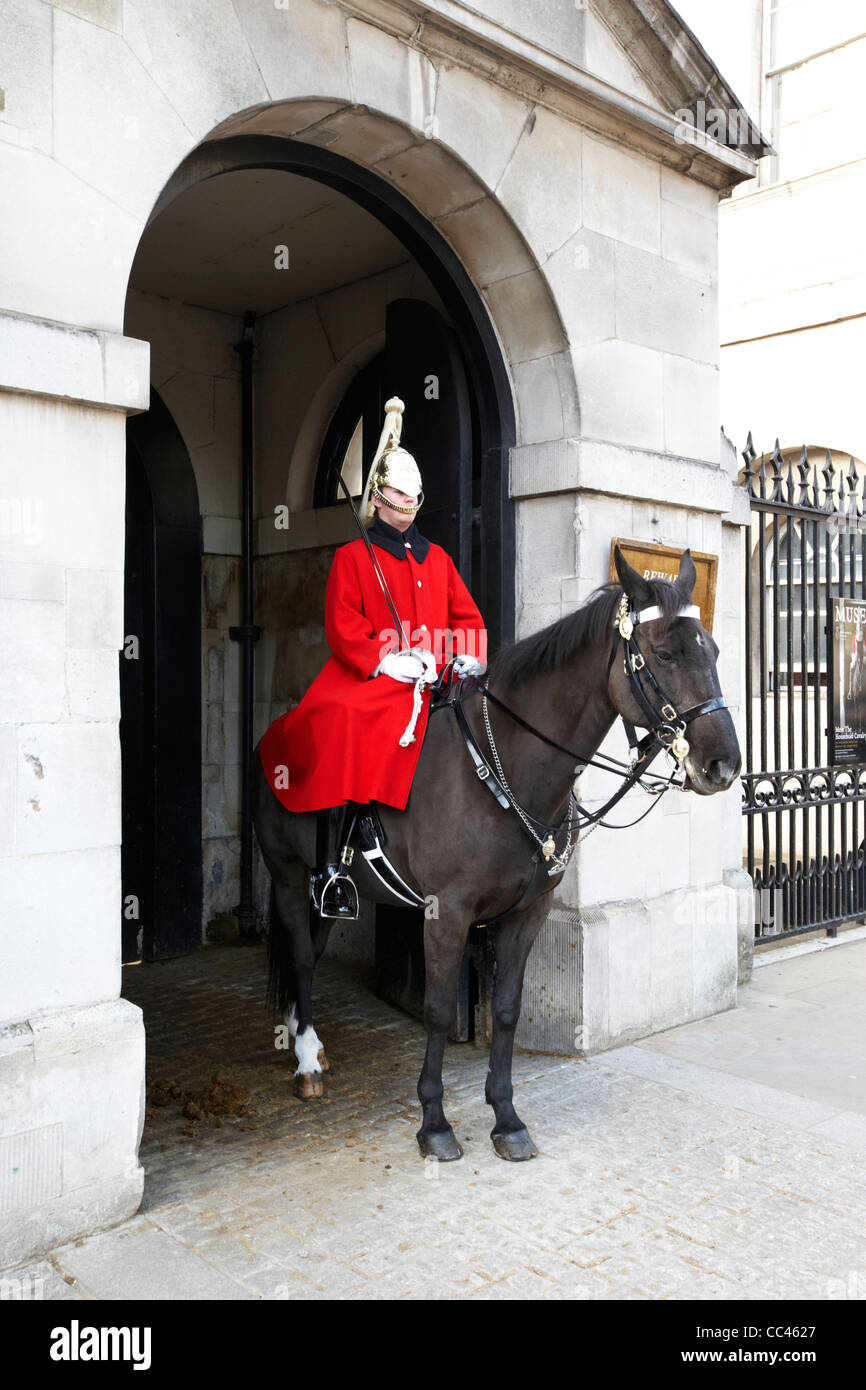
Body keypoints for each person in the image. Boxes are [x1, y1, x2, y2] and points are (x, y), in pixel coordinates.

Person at [259, 397, 487, 916]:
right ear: (378, 500)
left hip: (433, 678)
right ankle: (332, 863)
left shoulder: (440, 559)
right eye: (396, 499)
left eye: (412, 501)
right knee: (343, 717)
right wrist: (386, 659)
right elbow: (343, 627)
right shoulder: (352, 557)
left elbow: (468, 622)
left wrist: (457, 658)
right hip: (371, 674)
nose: (405, 510)